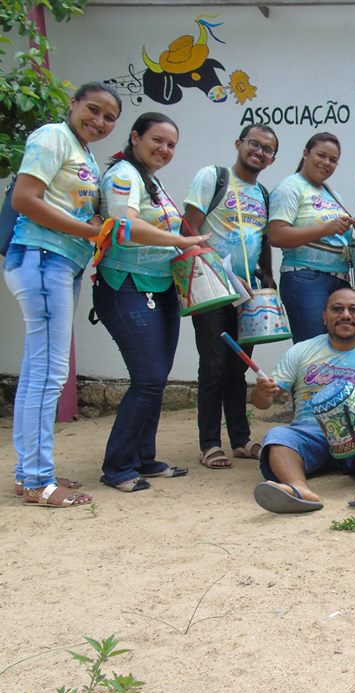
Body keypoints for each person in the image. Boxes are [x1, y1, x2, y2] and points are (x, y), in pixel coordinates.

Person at [5, 82, 122, 507]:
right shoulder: (53, 136)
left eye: (109, 118)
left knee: (39, 370)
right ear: (72, 105)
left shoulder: (83, 152)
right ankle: (38, 480)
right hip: (42, 257)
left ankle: (30, 474)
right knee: (49, 374)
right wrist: (91, 231)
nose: (99, 121)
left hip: (60, 263)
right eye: (93, 110)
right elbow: (25, 199)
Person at [93, 112, 205, 492]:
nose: (165, 149)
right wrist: (181, 241)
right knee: (149, 378)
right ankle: (117, 467)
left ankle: (144, 458)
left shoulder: (151, 180)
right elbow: (124, 228)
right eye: (157, 140)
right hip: (125, 285)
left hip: (160, 288)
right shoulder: (123, 175)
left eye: (171, 144)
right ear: (135, 137)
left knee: (155, 380)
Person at [250, 288, 355, 513]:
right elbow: (263, 403)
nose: (346, 315)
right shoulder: (301, 351)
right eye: (337, 309)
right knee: (277, 436)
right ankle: (297, 489)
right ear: (324, 316)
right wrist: (262, 393)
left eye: (354, 310)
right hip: (309, 434)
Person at [183, 123, 278, 469]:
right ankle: (209, 443)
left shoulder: (263, 194)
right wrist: (221, 271)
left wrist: (268, 281)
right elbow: (188, 228)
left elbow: (263, 241)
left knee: (239, 367)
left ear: (272, 159)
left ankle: (240, 439)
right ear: (238, 143)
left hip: (247, 294)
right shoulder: (214, 177)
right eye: (254, 143)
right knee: (213, 365)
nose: (259, 152)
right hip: (211, 287)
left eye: (267, 149)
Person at [269, 132, 354, 343]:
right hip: (305, 278)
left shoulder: (332, 194)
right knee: (314, 349)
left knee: (339, 347)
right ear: (306, 153)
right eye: (321, 155)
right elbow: (276, 235)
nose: (326, 163)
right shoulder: (290, 187)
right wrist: (326, 229)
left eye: (333, 160)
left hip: (339, 279)